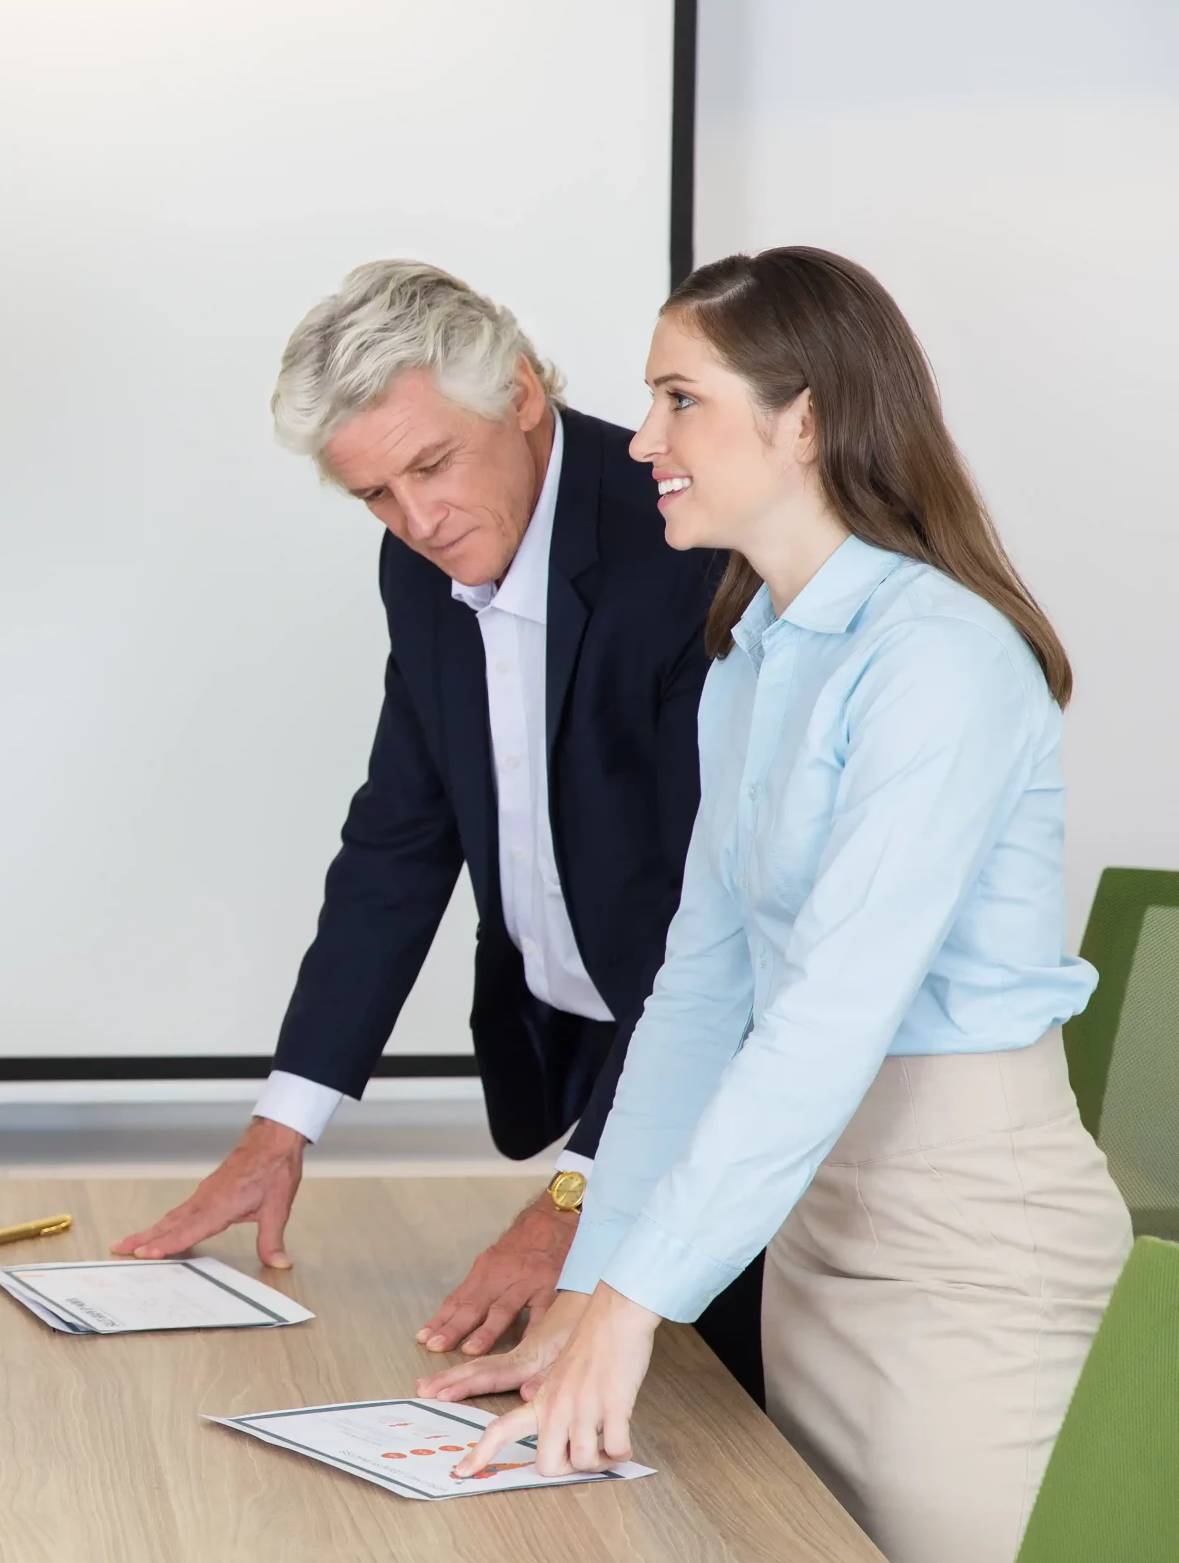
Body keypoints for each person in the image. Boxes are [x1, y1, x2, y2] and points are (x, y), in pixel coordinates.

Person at [445, 247, 1130, 1563]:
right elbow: (703, 991)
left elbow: (830, 1011)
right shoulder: (756, 646)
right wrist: (591, 1284)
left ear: (803, 419)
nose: (640, 441)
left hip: (964, 1247)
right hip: (817, 1226)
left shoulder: (940, 656)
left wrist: (635, 1304)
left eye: (678, 400)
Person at [112, 261, 762, 1395]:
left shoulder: (680, 544)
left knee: (729, 1424)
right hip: (585, 1057)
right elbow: (399, 842)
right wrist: (283, 1126)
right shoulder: (415, 571)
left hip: (718, 1074)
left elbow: (708, 935)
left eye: (429, 464)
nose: (415, 521)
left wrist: (582, 1193)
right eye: (372, 495)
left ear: (518, 396)